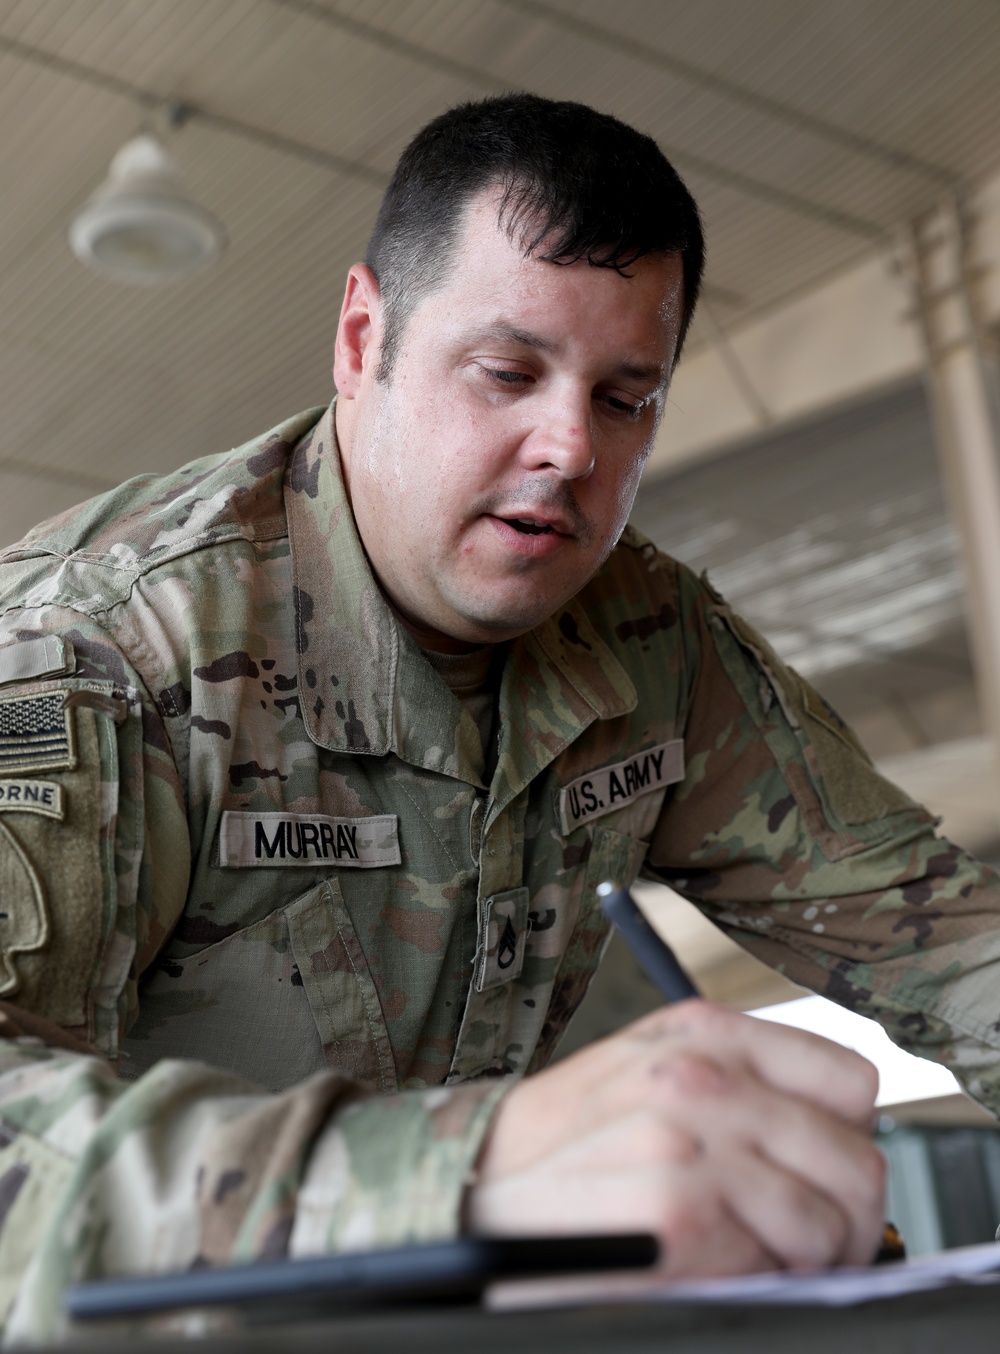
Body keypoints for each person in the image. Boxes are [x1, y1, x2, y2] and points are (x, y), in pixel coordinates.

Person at [0, 92, 997, 1342]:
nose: (570, 446)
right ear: (363, 337)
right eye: (508, 372)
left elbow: (945, 939)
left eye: (626, 397)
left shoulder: (652, 646)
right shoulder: (103, 654)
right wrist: (467, 1181)